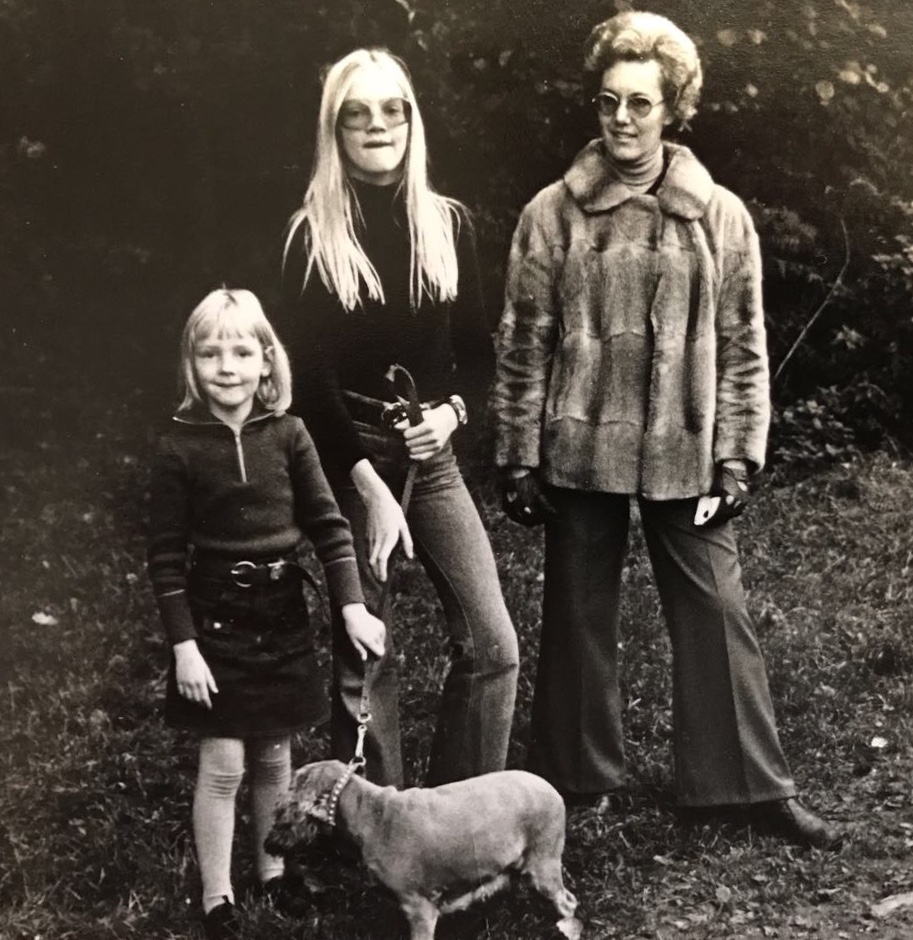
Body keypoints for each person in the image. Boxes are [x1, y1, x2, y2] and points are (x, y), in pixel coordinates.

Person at [491, 11, 841, 849]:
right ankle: (575, 781)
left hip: (687, 447)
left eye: (641, 103)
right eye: (609, 100)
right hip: (581, 444)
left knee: (717, 604)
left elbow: (744, 348)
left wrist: (737, 458)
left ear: (674, 108)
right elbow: (522, 340)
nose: (621, 118)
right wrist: (517, 455)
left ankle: (744, 785)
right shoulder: (552, 214)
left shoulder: (719, 215)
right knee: (577, 611)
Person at [279, 48, 519, 789]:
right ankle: (371, 822)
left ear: (413, 121)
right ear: (335, 130)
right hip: (347, 455)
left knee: (494, 646)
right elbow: (309, 387)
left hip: (429, 452)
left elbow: (476, 355)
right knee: (366, 650)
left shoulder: (448, 224)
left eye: (392, 109)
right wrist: (370, 490)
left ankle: (461, 814)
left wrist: (451, 414)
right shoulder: (311, 236)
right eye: (357, 114)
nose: (376, 125)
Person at [147, 289, 386, 939]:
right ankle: (218, 897)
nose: (226, 367)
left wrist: (352, 607)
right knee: (224, 763)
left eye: (241, 352)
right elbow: (165, 559)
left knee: (276, 757)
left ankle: (274, 874)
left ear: (267, 362)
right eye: (209, 354)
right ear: (191, 365)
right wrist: (184, 647)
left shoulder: (291, 434)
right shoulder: (177, 448)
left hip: (281, 615)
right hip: (216, 621)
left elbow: (331, 529)